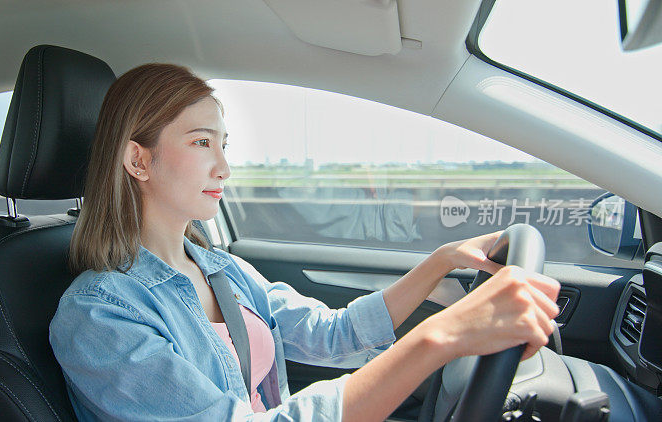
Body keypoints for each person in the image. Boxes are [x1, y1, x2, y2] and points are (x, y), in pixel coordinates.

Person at [49, 63, 561, 422]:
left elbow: (331, 334)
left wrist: (439, 264)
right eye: (202, 142)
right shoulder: (99, 316)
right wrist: (442, 338)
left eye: (223, 145)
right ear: (138, 160)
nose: (224, 167)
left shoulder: (220, 269)